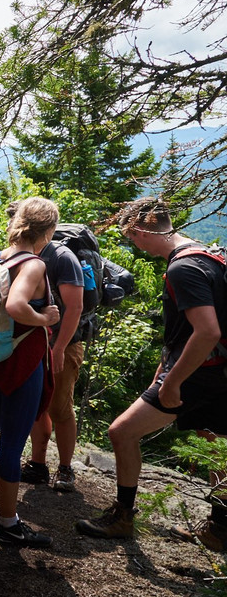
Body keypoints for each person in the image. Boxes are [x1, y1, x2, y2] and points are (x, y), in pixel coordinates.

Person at [77, 197, 227, 539]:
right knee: (215, 441)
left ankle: (123, 517)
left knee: (122, 432)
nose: (134, 243)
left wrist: (172, 382)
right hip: (220, 372)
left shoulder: (182, 268)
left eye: (131, 237)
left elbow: (207, 331)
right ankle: (220, 529)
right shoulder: (210, 254)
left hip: (197, 372)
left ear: (141, 230)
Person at [0, 197, 60, 549]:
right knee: (12, 444)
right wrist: (44, 319)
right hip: (21, 364)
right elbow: (16, 305)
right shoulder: (33, 264)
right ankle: (9, 524)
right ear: (47, 232)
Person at [20, 207, 89, 493]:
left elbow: (75, 306)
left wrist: (59, 348)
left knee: (60, 408)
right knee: (38, 405)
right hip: (33, 343)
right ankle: (37, 464)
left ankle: (65, 468)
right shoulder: (25, 252)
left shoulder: (62, 257)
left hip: (63, 344)